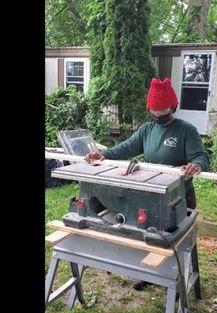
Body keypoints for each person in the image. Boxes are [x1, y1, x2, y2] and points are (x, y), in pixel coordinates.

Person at [84, 77, 210, 290]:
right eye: (154, 110)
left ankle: (179, 280)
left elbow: (201, 157)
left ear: (172, 107)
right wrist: (103, 155)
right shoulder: (146, 130)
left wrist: (196, 164)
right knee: (149, 234)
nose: (158, 114)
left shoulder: (186, 130)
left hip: (178, 195)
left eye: (162, 110)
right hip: (152, 192)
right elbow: (125, 148)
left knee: (178, 242)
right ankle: (150, 273)